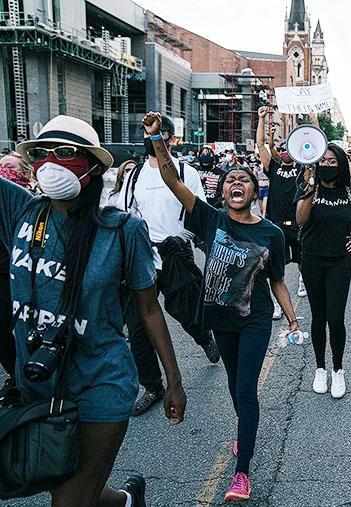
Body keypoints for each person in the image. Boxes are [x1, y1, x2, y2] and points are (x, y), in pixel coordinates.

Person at [4, 115, 186, 505]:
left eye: (66, 152)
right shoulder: (21, 212)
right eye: (42, 152)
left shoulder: (122, 230)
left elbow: (149, 309)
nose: (51, 161)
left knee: (69, 502)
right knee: (61, 480)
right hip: (37, 381)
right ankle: (122, 501)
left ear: (92, 165)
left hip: (99, 383)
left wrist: (173, 379)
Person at [143, 111, 299, 501]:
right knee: (234, 384)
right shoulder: (210, 220)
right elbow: (171, 179)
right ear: (223, 190)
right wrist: (158, 138)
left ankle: (242, 472)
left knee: (246, 389)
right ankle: (245, 430)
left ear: (254, 190)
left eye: (243, 180)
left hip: (255, 320)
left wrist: (293, 318)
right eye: (230, 179)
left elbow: (276, 279)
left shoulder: (271, 234)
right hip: (220, 320)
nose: (235, 183)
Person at [117, 114, 219, 417]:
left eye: (159, 133)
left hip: (176, 253)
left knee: (188, 311)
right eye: (148, 134)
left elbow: (196, 211)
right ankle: (152, 386)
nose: (152, 138)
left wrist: (180, 239)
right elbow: (124, 212)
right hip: (141, 257)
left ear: (169, 138)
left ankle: (204, 339)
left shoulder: (185, 171)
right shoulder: (134, 174)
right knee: (137, 326)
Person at [295, 144, 351, 398]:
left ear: (341, 164)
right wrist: (309, 188)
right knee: (318, 317)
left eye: (332, 161)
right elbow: (301, 220)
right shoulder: (309, 189)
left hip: (339, 262)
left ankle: (337, 369)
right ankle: (320, 368)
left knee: (335, 318)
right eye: (323, 161)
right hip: (312, 260)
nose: (327, 165)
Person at [257, 106, 308, 305]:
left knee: (302, 258)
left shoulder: (302, 168)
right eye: (282, 148)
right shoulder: (273, 166)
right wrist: (261, 119)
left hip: (298, 222)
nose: (286, 152)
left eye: (289, 148)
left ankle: (303, 282)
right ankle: (278, 302)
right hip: (276, 222)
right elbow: (261, 145)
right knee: (277, 265)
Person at [0, 151, 32, 399]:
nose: (5, 172)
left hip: (22, 278)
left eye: (10, 168)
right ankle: (15, 374)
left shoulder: (30, 204)